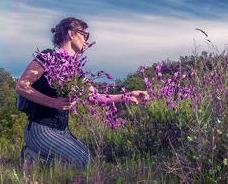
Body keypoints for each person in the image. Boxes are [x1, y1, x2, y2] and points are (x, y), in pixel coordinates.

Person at [15, 17, 148, 168]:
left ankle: (37, 157)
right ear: (71, 33)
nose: (87, 40)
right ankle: (32, 157)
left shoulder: (75, 70)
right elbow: (22, 86)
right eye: (84, 34)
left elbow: (94, 97)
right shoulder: (48, 57)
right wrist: (53, 102)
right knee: (84, 164)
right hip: (40, 128)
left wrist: (127, 96)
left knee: (92, 162)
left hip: (60, 130)